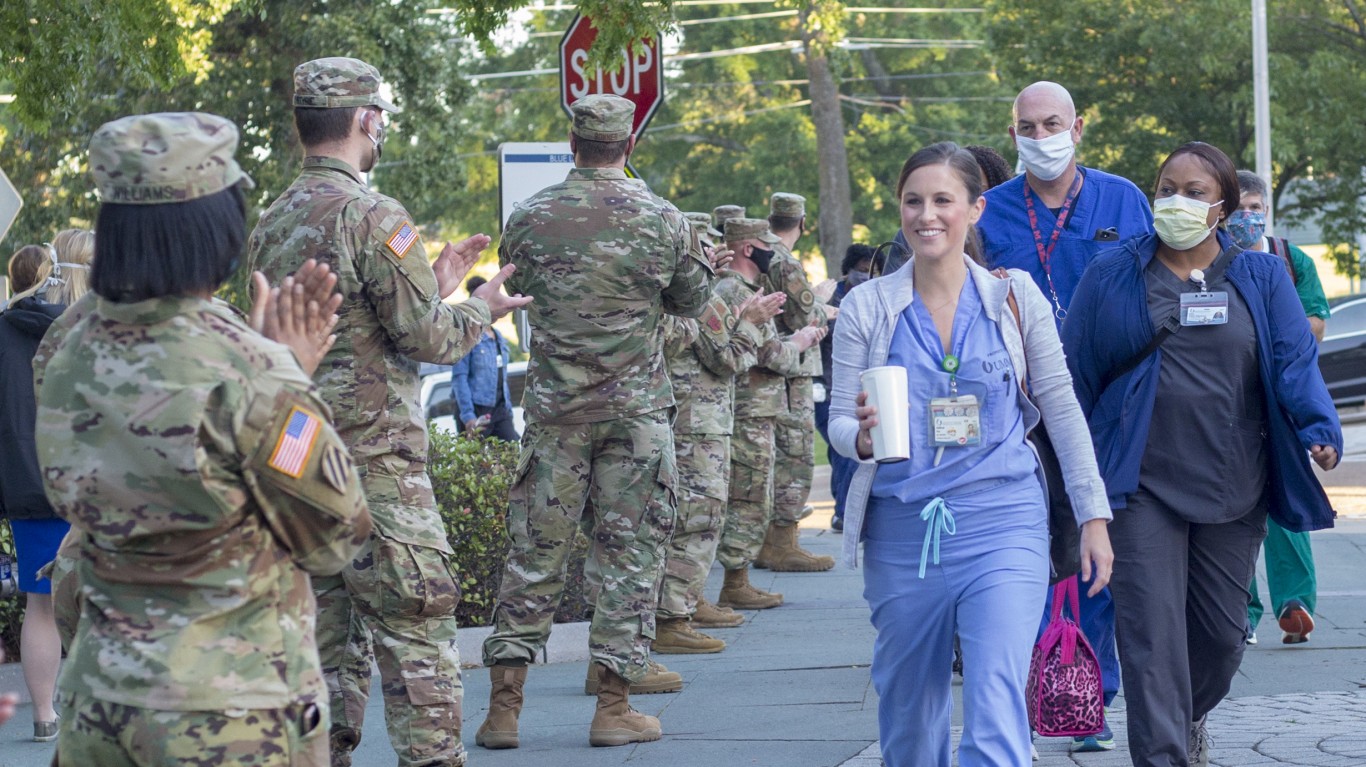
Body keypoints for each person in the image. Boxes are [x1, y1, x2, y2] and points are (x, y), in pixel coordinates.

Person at [35, 111, 371, 766]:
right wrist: (292, 382)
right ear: (216, 225)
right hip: (226, 718)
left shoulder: (64, 347)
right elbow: (336, 533)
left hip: (98, 706)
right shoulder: (248, 368)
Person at [247, 57, 529, 767]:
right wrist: (478, 306)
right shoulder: (373, 215)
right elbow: (427, 336)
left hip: (300, 460)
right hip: (376, 469)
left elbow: (352, 324)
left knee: (320, 639)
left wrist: (434, 283)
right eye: (382, 118)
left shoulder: (271, 222)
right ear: (366, 119)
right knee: (417, 625)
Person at [829, 141, 1113, 767]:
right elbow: (839, 424)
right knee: (909, 710)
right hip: (905, 530)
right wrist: (863, 439)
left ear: (975, 209)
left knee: (995, 698)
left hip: (1004, 521)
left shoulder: (1015, 298)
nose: (926, 215)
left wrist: (1094, 518)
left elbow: (1062, 411)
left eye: (942, 201)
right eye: (913, 201)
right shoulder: (866, 308)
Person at [1062, 141, 1341, 767]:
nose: (1177, 202)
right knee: (1151, 644)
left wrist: (1319, 426)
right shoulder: (1112, 274)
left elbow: (1295, 360)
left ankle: (1183, 714)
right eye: (1166, 188)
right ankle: (1164, 749)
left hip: (1232, 481)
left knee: (1220, 639)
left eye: (1194, 192)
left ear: (1222, 206)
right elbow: (1073, 375)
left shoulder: (1261, 276)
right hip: (1139, 487)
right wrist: (1069, 480)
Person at [477, 93, 716, 749]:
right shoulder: (661, 218)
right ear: (629, 145)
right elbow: (693, 299)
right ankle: (613, 707)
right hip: (636, 415)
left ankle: (503, 710)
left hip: (556, 413)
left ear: (572, 143)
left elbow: (521, 285)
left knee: (533, 554)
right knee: (629, 557)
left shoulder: (528, 218)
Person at [979, 81, 1153, 751]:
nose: (1041, 134)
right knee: (1028, 551)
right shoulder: (987, 211)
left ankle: (1090, 693)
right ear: (1013, 130)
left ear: (1078, 127)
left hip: (1111, 400)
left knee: (1095, 540)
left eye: (1053, 122)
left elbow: (1154, 286)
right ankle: (1033, 686)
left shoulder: (1122, 199)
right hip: (1021, 409)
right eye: (1028, 124)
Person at [653, 221, 785, 652]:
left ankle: (686, 606)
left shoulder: (694, 297)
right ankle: (673, 618)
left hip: (703, 423)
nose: (717, 257)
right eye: (705, 250)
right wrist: (750, 321)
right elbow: (729, 359)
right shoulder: (694, 302)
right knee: (698, 519)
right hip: (696, 426)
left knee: (699, 519)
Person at [0, 228, 93, 742]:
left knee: (40, 601)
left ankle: (43, 715)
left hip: (28, 484)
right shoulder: (85, 331)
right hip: (88, 486)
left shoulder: (2, 332)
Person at [1230, 170, 1328, 647]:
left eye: (1254, 207)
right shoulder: (1213, 257)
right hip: (1227, 402)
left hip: (1282, 401)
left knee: (1286, 500)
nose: (1246, 216)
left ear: (1266, 210)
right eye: (1238, 207)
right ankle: (1239, 610)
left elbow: (1314, 326)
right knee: (1233, 506)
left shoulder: (1292, 258)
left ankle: (1295, 603)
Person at [711, 218, 826, 610]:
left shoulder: (743, 289)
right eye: (765, 245)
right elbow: (766, 355)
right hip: (747, 409)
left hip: (756, 409)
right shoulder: (732, 290)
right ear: (748, 249)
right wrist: (800, 342)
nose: (772, 252)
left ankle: (736, 579)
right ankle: (731, 583)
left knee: (753, 495)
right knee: (746, 496)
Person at [756, 192, 834, 572]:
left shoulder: (760, 251)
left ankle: (768, 541)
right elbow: (804, 314)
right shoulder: (784, 260)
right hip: (792, 367)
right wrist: (823, 303)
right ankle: (783, 542)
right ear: (802, 223)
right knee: (795, 454)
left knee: (777, 455)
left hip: (773, 363)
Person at [817, 243, 877, 532]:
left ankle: (841, 508)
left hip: (860, 386)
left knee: (842, 453)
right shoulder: (832, 295)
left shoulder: (873, 297)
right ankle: (843, 510)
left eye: (870, 271)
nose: (865, 277)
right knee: (841, 450)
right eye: (860, 271)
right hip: (827, 385)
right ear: (848, 270)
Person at [451, 275, 519, 442]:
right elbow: (459, 379)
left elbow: (502, 376)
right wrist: (468, 417)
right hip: (477, 410)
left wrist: (508, 408)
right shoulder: (467, 336)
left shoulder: (499, 337)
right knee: (476, 463)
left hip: (500, 409)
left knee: (513, 453)